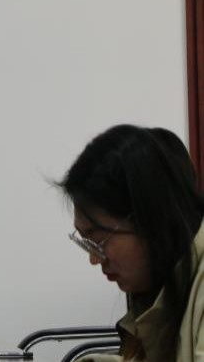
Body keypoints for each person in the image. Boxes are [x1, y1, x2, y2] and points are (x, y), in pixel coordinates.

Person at [62, 125, 204, 362]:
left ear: (150, 219)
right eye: (85, 242)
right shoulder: (163, 285)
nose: (94, 259)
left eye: (99, 240)